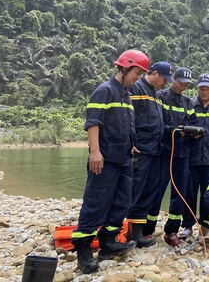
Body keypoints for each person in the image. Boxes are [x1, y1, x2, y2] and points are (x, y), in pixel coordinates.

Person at [71, 49, 149, 274]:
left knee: (122, 202)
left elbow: (125, 125)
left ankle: (108, 242)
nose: (138, 77)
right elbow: (93, 123)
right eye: (136, 72)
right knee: (96, 203)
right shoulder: (104, 91)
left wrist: (131, 144)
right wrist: (95, 152)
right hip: (104, 160)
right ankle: (83, 252)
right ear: (124, 68)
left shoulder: (126, 94)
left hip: (124, 158)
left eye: (141, 73)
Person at [144, 67, 197, 248]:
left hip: (183, 154)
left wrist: (194, 133)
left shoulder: (188, 102)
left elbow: (194, 123)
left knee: (179, 194)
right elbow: (157, 124)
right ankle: (147, 229)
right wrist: (173, 131)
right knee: (156, 191)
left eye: (186, 84)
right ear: (173, 79)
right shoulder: (160, 97)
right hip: (164, 153)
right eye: (180, 82)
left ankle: (171, 231)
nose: (183, 86)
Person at [124, 61, 173, 248]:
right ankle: (123, 231)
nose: (165, 83)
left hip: (155, 151)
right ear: (153, 73)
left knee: (148, 191)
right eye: (164, 78)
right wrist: (132, 143)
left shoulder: (156, 95)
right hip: (140, 150)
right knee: (134, 189)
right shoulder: (135, 88)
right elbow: (128, 119)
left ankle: (138, 233)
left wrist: (174, 130)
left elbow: (157, 124)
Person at [178, 72, 209, 238]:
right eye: (201, 88)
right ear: (197, 88)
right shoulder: (189, 104)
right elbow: (183, 128)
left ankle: (205, 226)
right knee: (189, 193)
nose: (204, 91)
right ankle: (187, 225)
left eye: (207, 88)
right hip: (191, 157)